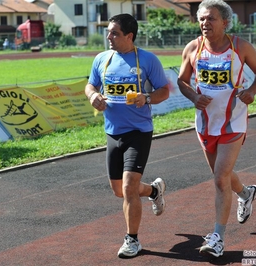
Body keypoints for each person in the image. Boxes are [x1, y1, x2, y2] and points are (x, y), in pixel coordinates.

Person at [177, 0, 256, 258]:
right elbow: (182, 80)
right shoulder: (193, 48)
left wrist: (251, 91)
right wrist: (194, 98)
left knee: (219, 178)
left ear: (225, 22)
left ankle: (217, 237)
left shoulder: (240, 47)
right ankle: (246, 192)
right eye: (202, 19)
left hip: (233, 121)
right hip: (205, 123)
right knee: (223, 176)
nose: (205, 23)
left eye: (211, 19)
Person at [84, 13, 170, 258]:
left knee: (129, 187)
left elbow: (164, 90)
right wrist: (93, 96)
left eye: (114, 33)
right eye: (108, 32)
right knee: (119, 190)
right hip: (112, 132)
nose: (109, 37)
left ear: (129, 36)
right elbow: (91, 85)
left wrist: (148, 98)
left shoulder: (147, 60)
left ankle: (132, 240)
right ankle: (154, 191)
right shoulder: (103, 59)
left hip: (138, 132)